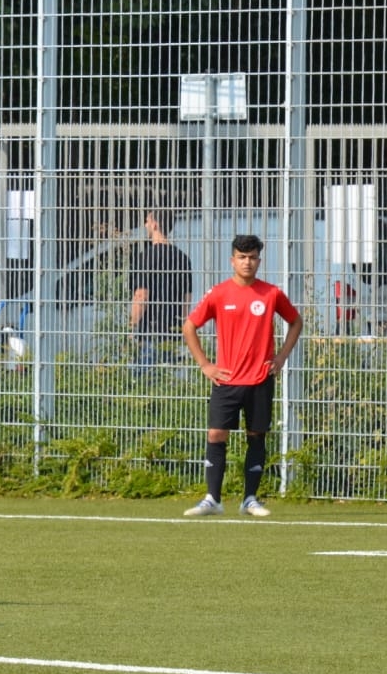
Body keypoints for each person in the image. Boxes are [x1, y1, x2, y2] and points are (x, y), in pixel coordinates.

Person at [180, 234, 303, 518]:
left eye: (252, 258)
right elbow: (189, 327)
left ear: (259, 261)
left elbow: (296, 322)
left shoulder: (271, 294)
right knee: (216, 433)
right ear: (232, 260)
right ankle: (213, 499)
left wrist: (282, 356)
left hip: (260, 378)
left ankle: (250, 499)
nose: (247, 262)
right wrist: (205, 365)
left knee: (256, 435)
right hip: (226, 379)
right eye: (242, 257)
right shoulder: (219, 293)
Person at [128, 209, 193, 365]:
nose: (145, 225)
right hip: (172, 331)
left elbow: (142, 296)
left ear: (155, 224)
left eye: (147, 221)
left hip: (149, 331)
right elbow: (186, 299)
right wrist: (182, 327)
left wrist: (131, 326)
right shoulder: (183, 258)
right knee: (167, 376)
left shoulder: (146, 257)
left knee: (145, 376)